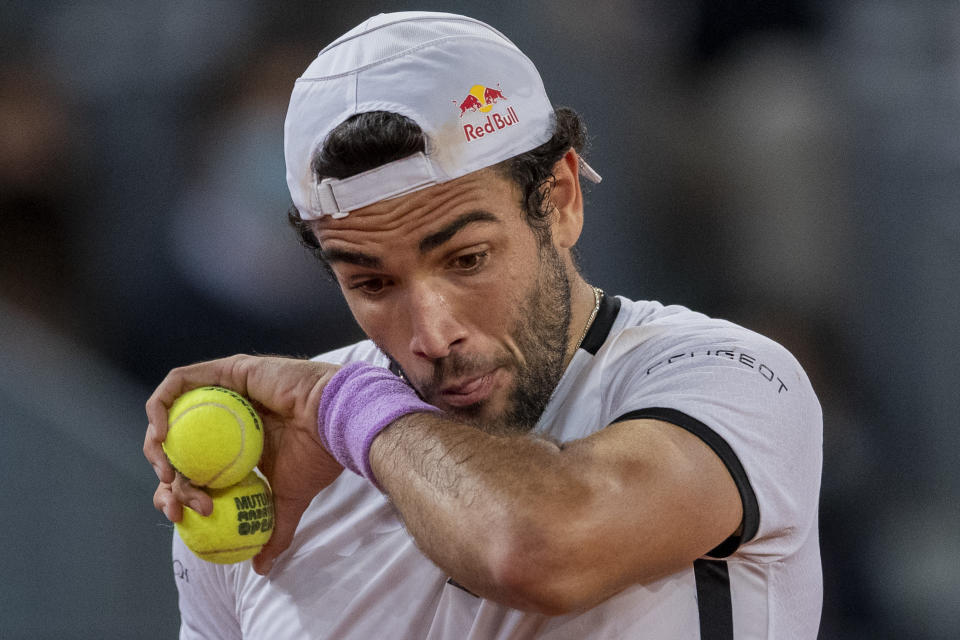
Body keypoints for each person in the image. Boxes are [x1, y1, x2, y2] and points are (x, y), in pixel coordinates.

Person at [144, 11, 822, 639]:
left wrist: (344, 406)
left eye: (467, 259)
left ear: (560, 199)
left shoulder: (730, 379)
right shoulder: (267, 479)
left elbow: (539, 551)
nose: (432, 336)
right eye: (371, 283)